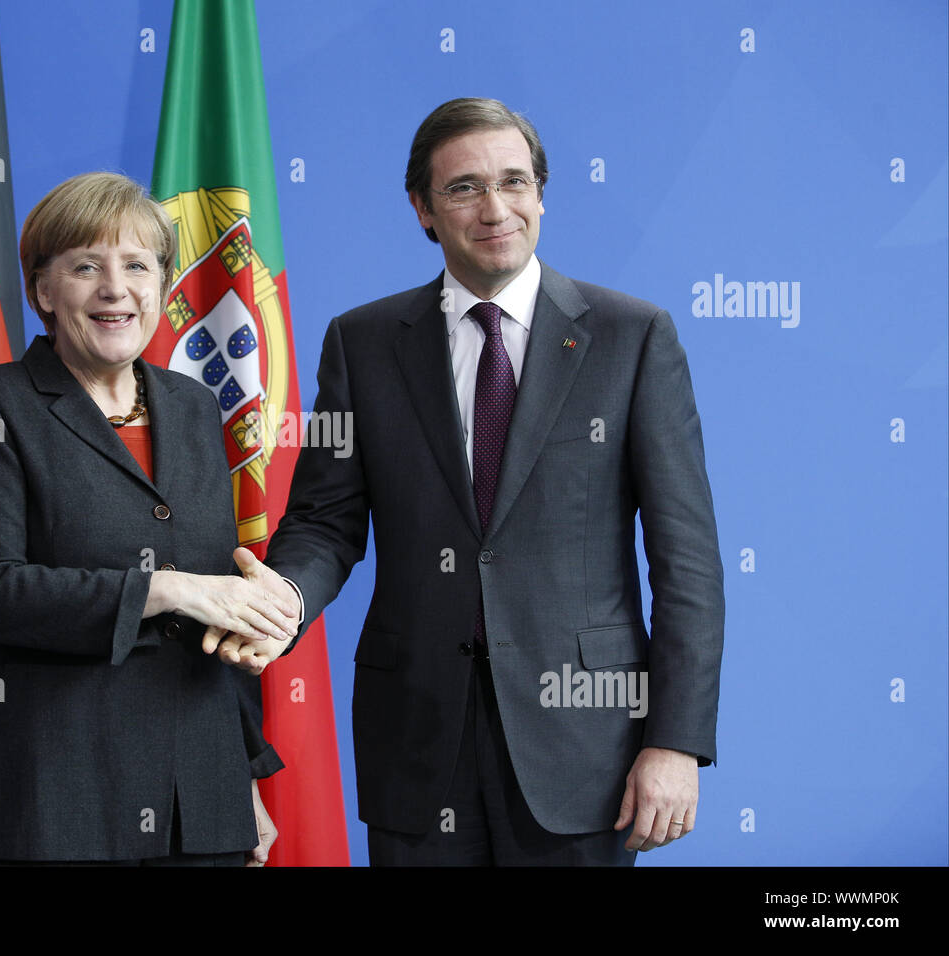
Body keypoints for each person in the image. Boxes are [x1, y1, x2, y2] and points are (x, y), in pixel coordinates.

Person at [208, 98, 725, 866]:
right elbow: (324, 520)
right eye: (464, 188)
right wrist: (283, 601)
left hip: (584, 743)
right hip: (416, 739)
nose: (495, 208)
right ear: (421, 208)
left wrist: (676, 742)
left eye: (515, 182)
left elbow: (687, 561)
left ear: (542, 195)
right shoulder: (362, 341)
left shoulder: (633, 336)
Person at [0, 171, 298, 866]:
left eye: (137, 265)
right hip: (49, 802)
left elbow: (220, 612)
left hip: (198, 805)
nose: (115, 288)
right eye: (86, 266)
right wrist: (168, 588)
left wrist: (242, 774)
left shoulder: (192, 408)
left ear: (160, 287)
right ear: (43, 290)